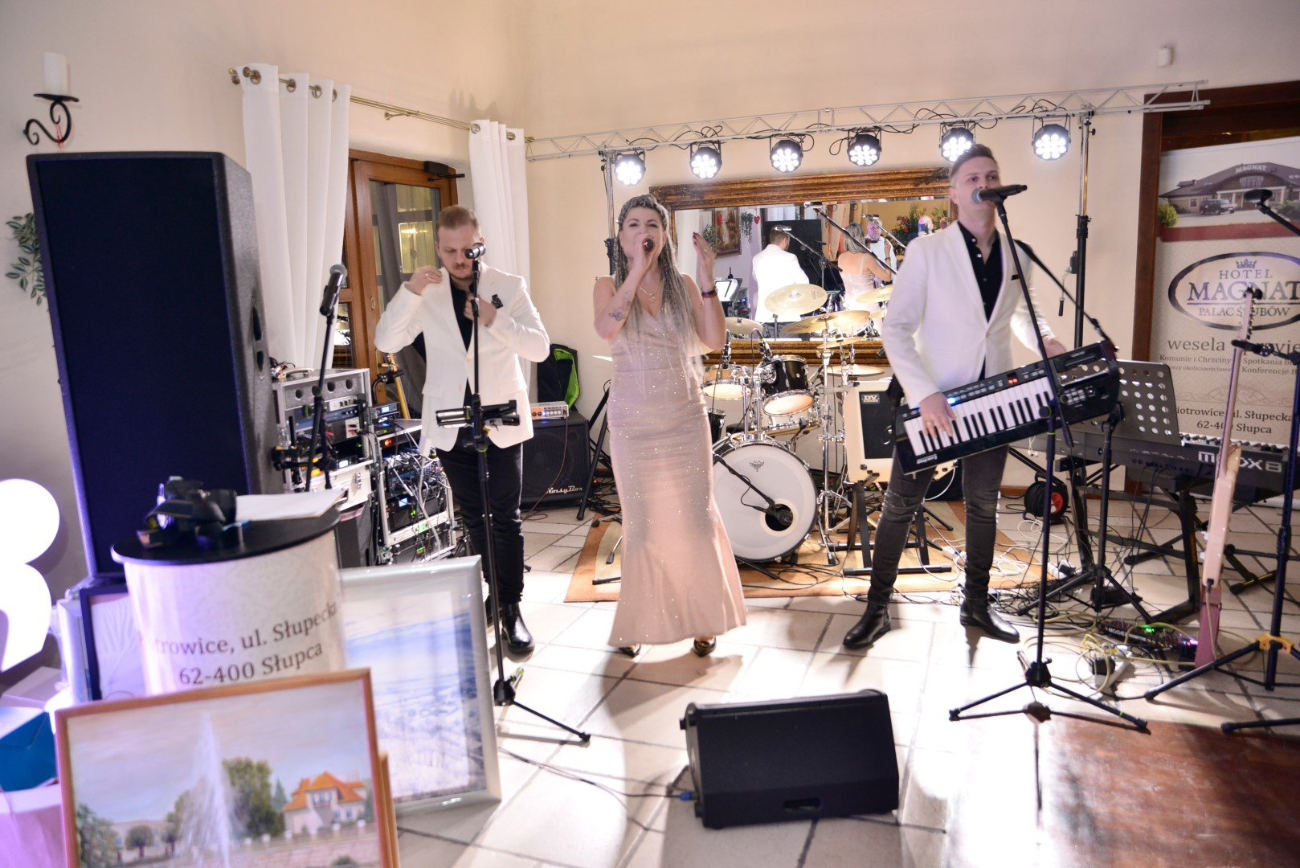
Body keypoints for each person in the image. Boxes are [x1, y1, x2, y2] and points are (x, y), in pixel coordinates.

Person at [843, 145, 1067, 650]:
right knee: (901, 505)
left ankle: (978, 604)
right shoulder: (927, 251)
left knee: (984, 505)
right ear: (954, 192)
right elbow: (896, 328)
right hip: (934, 401)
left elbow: (1022, 315)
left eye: (991, 175)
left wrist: (1048, 341)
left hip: (994, 398)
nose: (983, 184)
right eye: (972, 178)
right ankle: (877, 609)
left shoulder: (1018, 252)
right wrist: (924, 394)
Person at [374, 205, 550, 655]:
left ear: (480, 243)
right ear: (437, 247)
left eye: (466, 249)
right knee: (475, 518)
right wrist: (409, 292)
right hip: (452, 423)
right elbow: (386, 341)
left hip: (502, 420)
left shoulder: (508, 286)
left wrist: (494, 319)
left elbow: (540, 348)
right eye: (449, 250)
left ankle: (511, 608)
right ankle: (495, 593)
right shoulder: (426, 293)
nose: (458, 259)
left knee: (505, 518)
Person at [592, 194, 746, 657]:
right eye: (634, 225)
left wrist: (707, 278)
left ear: (665, 235)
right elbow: (606, 329)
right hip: (633, 425)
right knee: (643, 526)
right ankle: (640, 624)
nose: (644, 231)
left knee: (695, 521)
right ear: (622, 237)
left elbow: (714, 338)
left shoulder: (683, 284)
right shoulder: (606, 284)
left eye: (653, 224)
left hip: (685, 419)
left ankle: (704, 619)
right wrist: (636, 272)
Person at [750, 226, 810, 334]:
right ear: (785, 240)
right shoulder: (790, 257)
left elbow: (755, 277)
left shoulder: (756, 258)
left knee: (768, 345)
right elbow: (804, 283)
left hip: (764, 317)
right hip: (787, 316)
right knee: (788, 345)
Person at [837, 222, 894, 311]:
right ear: (860, 238)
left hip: (849, 306)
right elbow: (887, 277)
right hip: (867, 306)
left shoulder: (841, 258)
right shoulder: (866, 258)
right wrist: (887, 254)